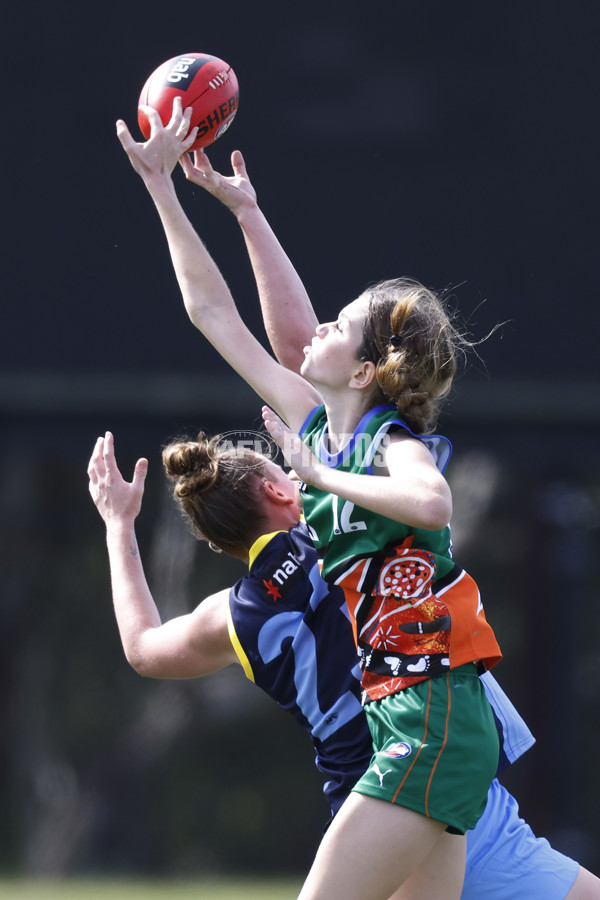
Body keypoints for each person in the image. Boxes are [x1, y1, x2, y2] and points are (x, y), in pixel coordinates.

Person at [114, 101, 597, 899]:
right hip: (418, 722)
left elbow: (434, 502)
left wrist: (321, 474)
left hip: (429, 719)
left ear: (366, 371)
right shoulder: (328, 430)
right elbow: (216, 316)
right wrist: (170, 191)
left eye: (342, 323)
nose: (321, 327)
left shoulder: (379, 447)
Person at [88, 430, 597, 900]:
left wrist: (118, 524)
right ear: (280, 493)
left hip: (376, 810)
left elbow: (143, 648)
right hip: (431, 780)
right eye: (285, 473)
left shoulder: (230, 617)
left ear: (220, 544)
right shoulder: (347, 529)